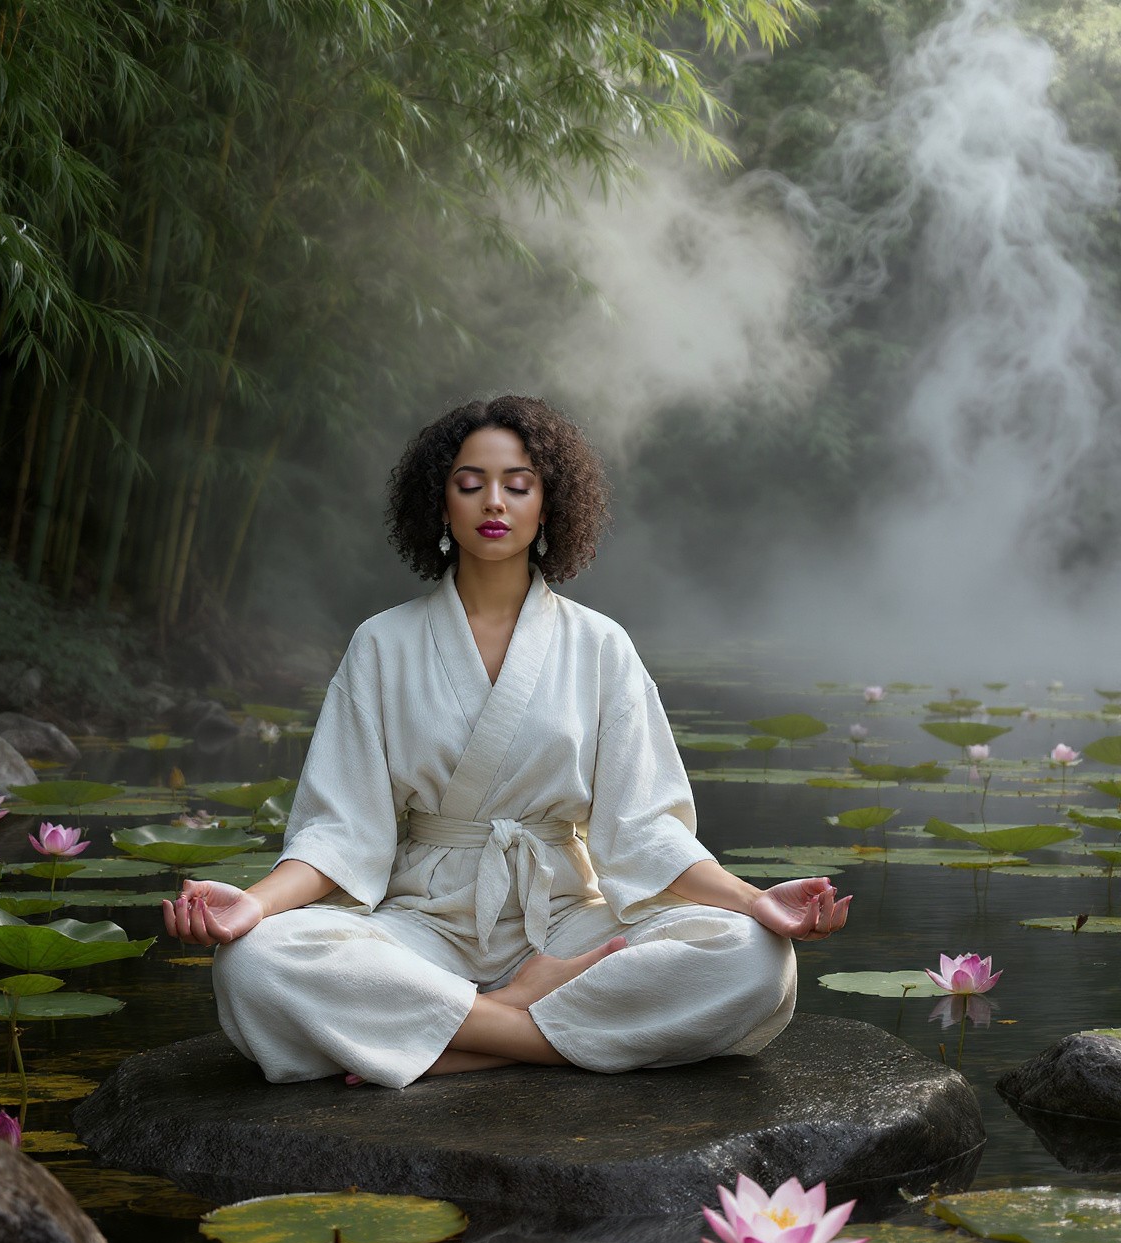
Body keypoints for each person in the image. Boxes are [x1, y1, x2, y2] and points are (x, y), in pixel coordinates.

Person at [163, 395, 851, 1089]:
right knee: (254, 962)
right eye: (470, 484)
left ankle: (457, 1039)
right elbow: (341, 833)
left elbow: (644, 833)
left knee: (755, 960)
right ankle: (522, 1021)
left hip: (564, 920)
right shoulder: (381, 644)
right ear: (440, 504)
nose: (494, 501)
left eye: (517, 485)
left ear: (549, 506)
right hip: (424, 925)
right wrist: (253, 904)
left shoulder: (600, 645)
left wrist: (751, 901)